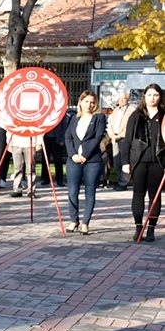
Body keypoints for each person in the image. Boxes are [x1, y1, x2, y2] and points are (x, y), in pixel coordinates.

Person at [122, 83, 165, 242]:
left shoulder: (163, 115)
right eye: (150, 95)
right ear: (144, 96)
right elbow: (127, 140)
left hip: (158, 162)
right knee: (138, 194)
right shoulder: (136, 115)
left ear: (160, 97)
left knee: (155, 196)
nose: (152, 98)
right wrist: (125, 162)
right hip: (139, 161)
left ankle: (151, 228)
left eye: (156, 95)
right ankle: (138, 227)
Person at [64, 90, 106, 235]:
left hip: (92, 161)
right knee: (72, 191)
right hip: (74, 160)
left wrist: (85, 155)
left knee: (90, 191)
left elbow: (97, 137)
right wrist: (73, 154)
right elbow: (68, 137)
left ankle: (85, 222)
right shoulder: (74, 118)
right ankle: (73, 220)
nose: (89, 105)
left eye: (92, 102)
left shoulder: (99, 117)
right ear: (80, 102)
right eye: (86, 101)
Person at [108, 91, 135, 191]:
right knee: (117, 161)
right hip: (114, 139)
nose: (122, 100)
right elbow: (110, 124)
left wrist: (120, 136)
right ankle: (120, 179)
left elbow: (130, 127)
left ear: (128, 99)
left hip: (125, 139)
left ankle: (124, 182)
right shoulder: (116, 110)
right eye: (120, 99)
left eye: (124, 98)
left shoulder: (132, 110)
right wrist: (112, 135)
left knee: (125, 161)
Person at [8, 131, 42, 198]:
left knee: (31, 169)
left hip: (31, 143)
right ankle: (17, 189)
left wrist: (39, 142)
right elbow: (10, 128)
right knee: (17, 168)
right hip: (16, 143)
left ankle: (31, 190)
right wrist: (9, 143)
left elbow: (39, 128)